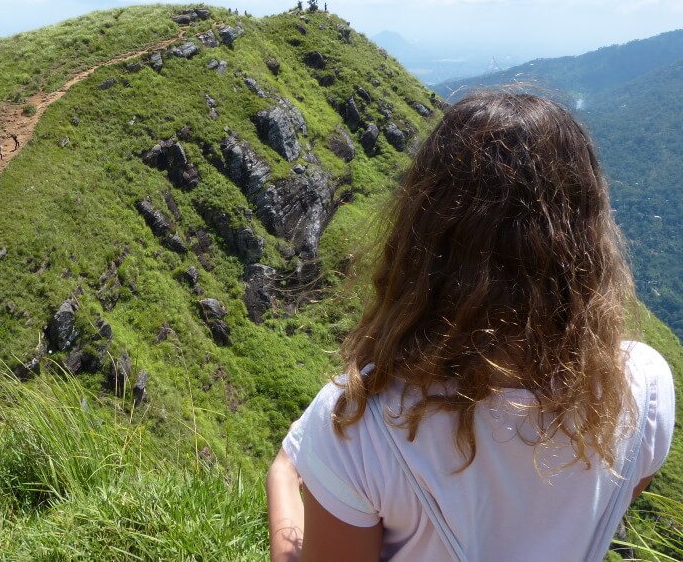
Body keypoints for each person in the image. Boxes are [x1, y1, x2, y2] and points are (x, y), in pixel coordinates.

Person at [267, 91, 675, 562]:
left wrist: (283, 477)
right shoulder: (643, 387)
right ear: (587, 237)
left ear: (421, 233)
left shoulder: (360, 425)